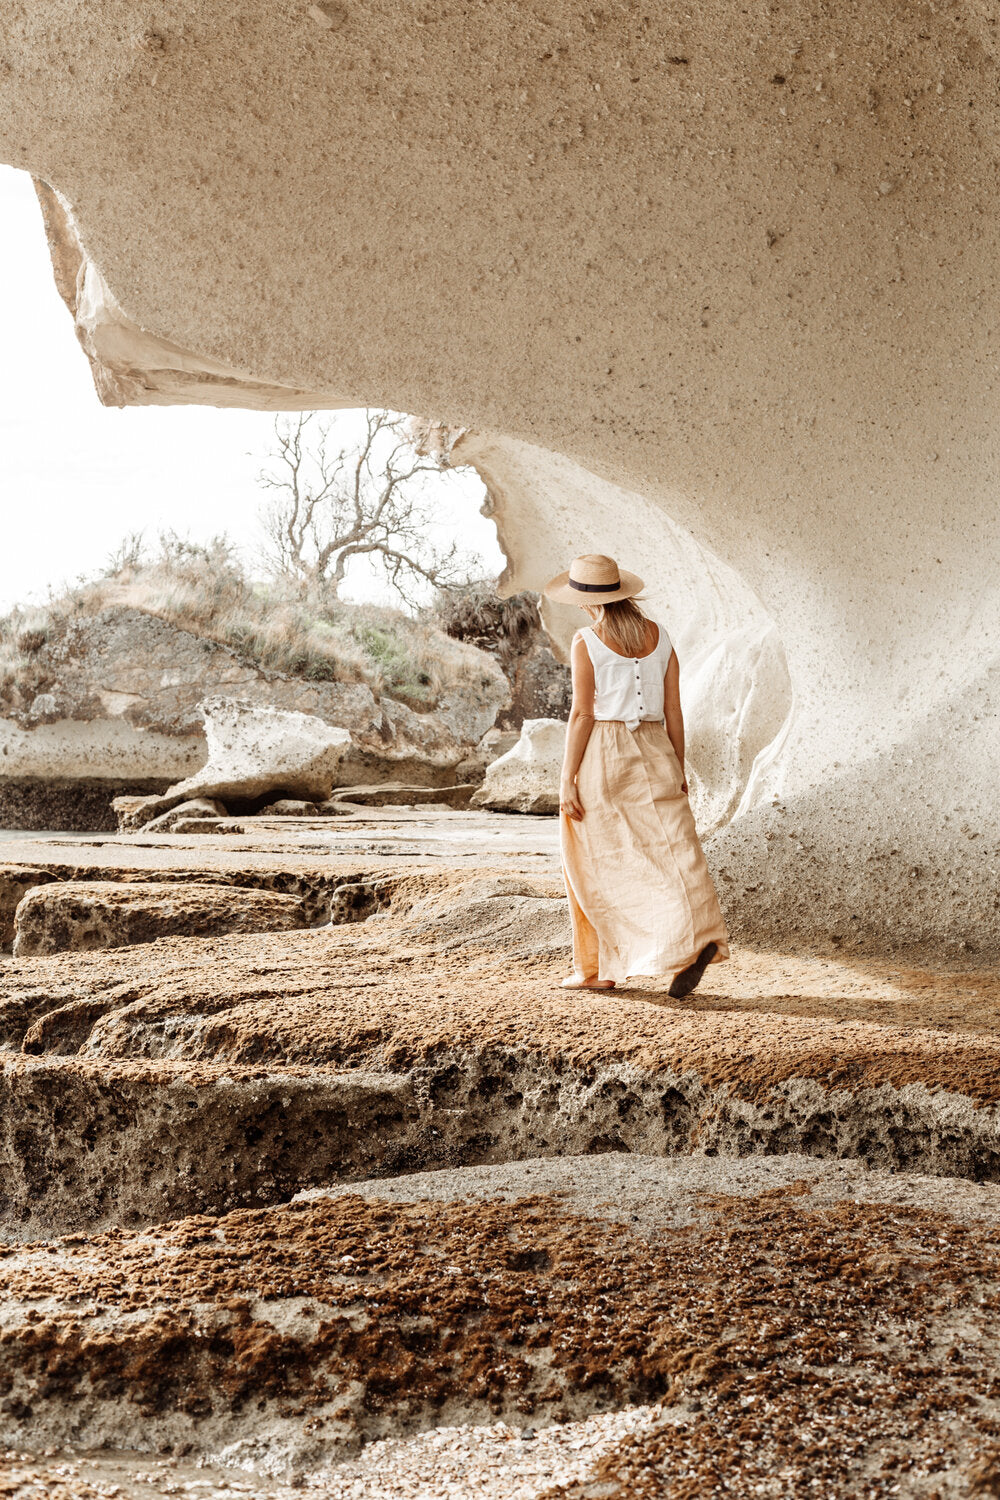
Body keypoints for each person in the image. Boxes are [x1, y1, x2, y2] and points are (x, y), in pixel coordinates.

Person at [543, 552, 729, 996]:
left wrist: (567, 777)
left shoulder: (587, 639)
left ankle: (596, 970)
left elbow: (582, 714)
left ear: (586, 601)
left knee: (591, 858)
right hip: (656, 748)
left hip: (605, 755)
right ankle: (699, 936)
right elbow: (674, 712)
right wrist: (677, 766)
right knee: (674, 850)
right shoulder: (660, 637)